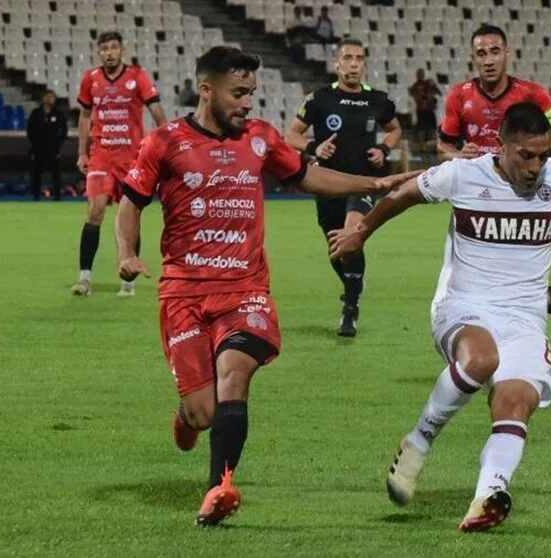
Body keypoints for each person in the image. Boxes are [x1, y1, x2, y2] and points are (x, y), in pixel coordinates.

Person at [115, 46, 419, 527]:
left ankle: (220, 487)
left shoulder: (260, 138)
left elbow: (307, 176)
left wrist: (372, 184)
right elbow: (131, 201)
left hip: (244, 289)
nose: (247, 104)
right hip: (185, 292)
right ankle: (188, 413)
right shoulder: (165, 142)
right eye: (239, 94)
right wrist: (127, 254)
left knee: (235, 373)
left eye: (251, 94)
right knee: (203, 413)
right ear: (206, 90)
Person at [329, 103, 551, 532]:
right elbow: (403, 195)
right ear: (501, 146)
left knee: (517, 402)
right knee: (481, 360)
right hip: (464, 305)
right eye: (525, 156)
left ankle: (487, 496)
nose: (535, 167)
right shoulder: (464, 175)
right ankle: (418, 442)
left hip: (526, 315)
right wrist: (360, 232)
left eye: (543, 155)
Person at [436, 24, 551, 345]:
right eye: (482, 53)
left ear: (507, 54)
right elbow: (443, 146)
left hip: (523, 196)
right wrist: (459, 153)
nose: (489, 59)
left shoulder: (531, 94)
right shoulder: (460, 97)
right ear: (472, 58)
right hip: (479, 202)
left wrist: (530, 155)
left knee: (513, 291)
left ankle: (478, 359)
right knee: (504, 291)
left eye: (495, 51)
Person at [284, 38, 402, 337]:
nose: (352, 64)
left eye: (358, 59)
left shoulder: (378, 100)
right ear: (336, 63)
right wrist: (314, 146)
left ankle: (350, 310)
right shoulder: (319, 98)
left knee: (352, 234)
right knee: (336, 250)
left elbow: (395, 129)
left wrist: (384, 151)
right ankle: (355, 283)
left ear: (364, 64)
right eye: (347, 58)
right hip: (326, 184)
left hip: (362, 183)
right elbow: (292, 135)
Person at [72, 31, 167, 297]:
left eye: (114, 48)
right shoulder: (91, 79)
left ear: (122, 50)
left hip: (131, 157)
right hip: (101, 154)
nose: (109, 53)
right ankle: (85, 278)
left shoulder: (138, 76)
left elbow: (157, 111)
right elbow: (84, 116)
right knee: (95, 212)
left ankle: (129, 280)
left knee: (130, 216)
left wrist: (169, 143)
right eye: (104, 49)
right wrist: (82, 152)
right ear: (98, 52)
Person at [26, 90, 68, 201]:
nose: (49, 99)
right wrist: (34, 144)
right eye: (47, 97)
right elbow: (29, 130)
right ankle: (35, 197)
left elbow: (64, 131)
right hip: (38, 150)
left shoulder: (58, 114)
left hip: (53, 150)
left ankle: (57, 197)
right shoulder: (36, 113)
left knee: (56, 176)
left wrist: (58, 144)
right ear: (43, 98)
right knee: (36, 175)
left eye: (52, 97)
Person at [408, 68, 441, 153]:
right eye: (419, 74)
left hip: (430, 110)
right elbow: (416, 97)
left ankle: (433, 147)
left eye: (422, 73)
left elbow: (438, 92)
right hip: (421, 111)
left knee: (432, 129)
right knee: (422, 129)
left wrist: (432, 95)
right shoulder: (414, 87)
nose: (420, 75)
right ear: (417, 75)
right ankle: (421, 148)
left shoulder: (429, 83)